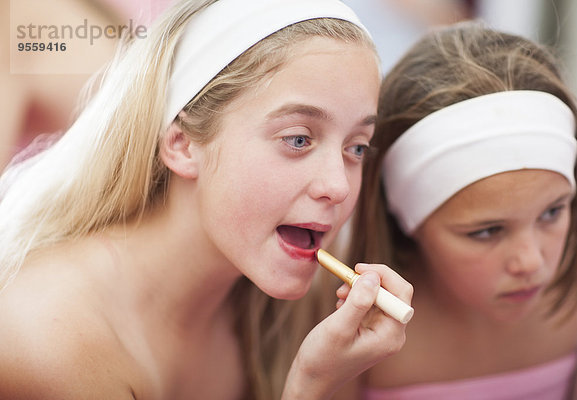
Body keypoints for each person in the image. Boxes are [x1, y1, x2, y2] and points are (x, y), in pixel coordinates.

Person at [0, 1, 414, 399]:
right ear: (182, 145)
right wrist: (309, 386)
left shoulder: (302, 312)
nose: (339, 186)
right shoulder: (51, 341)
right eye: (298, 139)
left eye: (357, 147)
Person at [335, 21, 577, 400]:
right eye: (486, 231)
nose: (530, 261)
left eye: (552, 213)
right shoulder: (342, 319)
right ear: (406, 222)